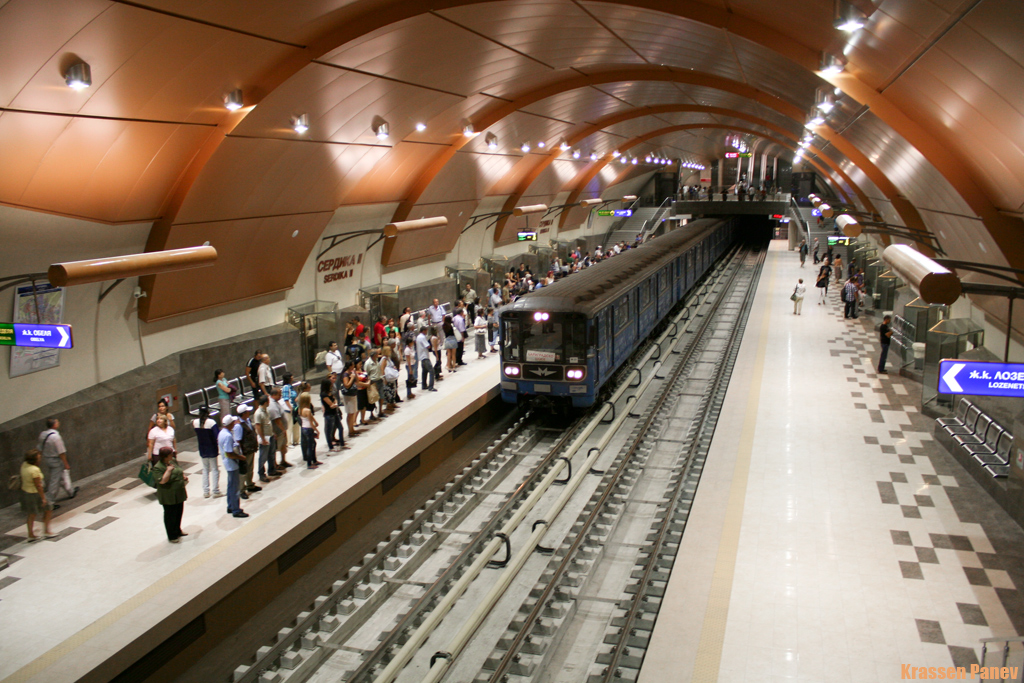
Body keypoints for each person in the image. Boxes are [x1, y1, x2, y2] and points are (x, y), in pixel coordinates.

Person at [38, 418, 77, 508]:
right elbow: (61, 452)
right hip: (56, 460)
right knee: (55, 481)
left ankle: (70, 491)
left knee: (63, 475)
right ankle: (50, 502)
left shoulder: (43, 434)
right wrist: (66, 463)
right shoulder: (55, 437)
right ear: (54, 425)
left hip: (47, 459)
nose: (58, 423)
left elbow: (39, 448)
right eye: (57, 422)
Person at [152, 447, 188, 543]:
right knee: (170, 515)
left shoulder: (173, 461)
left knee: (178, 512)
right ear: (166, 456)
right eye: (171, 454)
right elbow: (162, 481)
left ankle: (177, 530)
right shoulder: (157, 468)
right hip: (168, 495)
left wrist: (183, 477)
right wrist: (168, 470)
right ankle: (172, 535)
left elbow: (179, 471)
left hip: (178, 492)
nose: (173, 455)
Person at [218, 414, 248, 518]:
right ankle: (236, 510)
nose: (234, 424)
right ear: (230, 424)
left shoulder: (221, 433)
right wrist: (241, 457)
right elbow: (229, 453)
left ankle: (230, 506)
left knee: (230, 486)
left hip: (227, 463)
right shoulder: (228, 436)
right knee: (235, 487)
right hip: (232, 464)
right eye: (233, 423)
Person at [20, 449, 53, 541]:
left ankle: (30, 534)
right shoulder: (34, 470)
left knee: (31, 514)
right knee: (48, 508)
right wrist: (43, 498)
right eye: (39, 458)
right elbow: (38, 485)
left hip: (26, 493)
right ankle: (46, 531)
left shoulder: (24, 465)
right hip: (35, 494)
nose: (40, 459)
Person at [193, 406, 221, 498]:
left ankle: (206, 491)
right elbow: (217, 435)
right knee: (214, 469)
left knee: (205, 469)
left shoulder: (195, 422)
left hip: (202, 448)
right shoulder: (211, 422)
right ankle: (215, 490)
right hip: (212, 448)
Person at [252, 395, 279, 484]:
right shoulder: (258, 413)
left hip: (270, 435)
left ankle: (271, 470)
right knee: (263, 456)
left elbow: (268, 423)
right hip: (265, 438)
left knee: (271, 454)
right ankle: (261, 473)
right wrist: (263, 439)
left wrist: (273, 433)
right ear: (265, 403)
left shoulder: (266, 410)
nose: (269, 403)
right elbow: (258, 427)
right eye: (268, 401)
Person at [235, 403, 260, 496]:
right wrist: (241, 454)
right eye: (248, 411)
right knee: (244, 471)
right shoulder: (238, 426)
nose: (249, 412)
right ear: (244, 413)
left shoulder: (248, 420)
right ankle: (241, 490)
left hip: (251, 449)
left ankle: (250, 485)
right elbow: (238, 441)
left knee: (250, 468)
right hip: (245, 451)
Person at [268, 386, 292, 470]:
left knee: (283, 446)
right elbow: (277, 420)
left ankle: (283, 461)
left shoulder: (276, 402)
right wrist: (283, 430)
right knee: (275, 448)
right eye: (279, 394)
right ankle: (275, 464)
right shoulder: (272, 405)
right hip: (278, 431)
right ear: (274, 395)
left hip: (281, 430)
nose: (281, 396)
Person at [320, 375, 345, 451]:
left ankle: (342, 443)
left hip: (335, 413)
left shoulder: (330, 393)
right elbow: (331, 405)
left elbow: (335, 400)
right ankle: (330, 446)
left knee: (340, 428)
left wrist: (335, 404)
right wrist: (334, 404)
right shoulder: (323, 394)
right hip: (329, 414)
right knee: (329, 431)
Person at [297, 392, 320, 469]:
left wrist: (315, 421)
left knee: (312, 444)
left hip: (303, 428)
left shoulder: (300, 409)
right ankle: (310, 463)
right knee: (310, 446)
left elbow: (309, 418)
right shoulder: (308, 410)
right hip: (309, 429)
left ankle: (314, 460)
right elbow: (311, 423)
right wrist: (317, 430)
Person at [341, 362, 361, 436]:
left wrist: (355, 374)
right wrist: (352, 378)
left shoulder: (352, 373)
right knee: (350, 413)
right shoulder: (345, 374)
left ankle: (352, 429)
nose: (354, 366)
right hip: (348, 396)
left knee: (353, 412)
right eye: (353, 365)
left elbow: (357, 382)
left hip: (353, 394)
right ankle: (350, 430)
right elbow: (346, 385)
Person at [280, 372, 299, 447]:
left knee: (296, 424)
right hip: (288, 409)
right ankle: (288, 442)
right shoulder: (286, 387)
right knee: (289, 426)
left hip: (294, 407)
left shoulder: (291, 387)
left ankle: (296, 440)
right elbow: (286, 399)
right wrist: (290, 408)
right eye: (292, 377)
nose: (293, 377)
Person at [417, 326, 436, 392]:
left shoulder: (418, 337)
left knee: (424, 372)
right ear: (424, 331)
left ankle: (424, 385)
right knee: (431, 371)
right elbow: (427, 346)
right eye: (426, 331)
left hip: (421, 356)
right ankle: (431, 387)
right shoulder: (422, 337)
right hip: (424, 356)